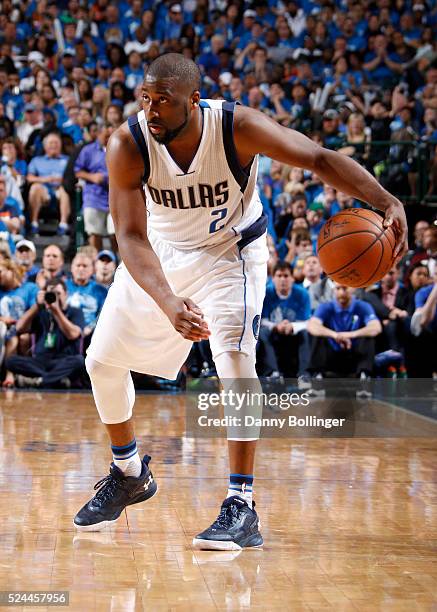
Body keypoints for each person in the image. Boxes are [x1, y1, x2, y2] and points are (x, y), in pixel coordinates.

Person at [74, 54, 407, 549]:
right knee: (100, 362)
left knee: (233, 361)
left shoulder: (236, 127)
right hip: (161, 253)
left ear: (194, 100)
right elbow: (128, 234)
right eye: (145, 98)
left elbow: (316, 157)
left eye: (163, 100)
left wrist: (384, 200)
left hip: (232, 252)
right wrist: (167, 300)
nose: (151, 110)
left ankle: (241, 504)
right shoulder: (128, 142)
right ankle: (129, 473)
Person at [5, 279, 85, 388]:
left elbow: (73, 334)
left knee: (79, 361)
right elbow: (19, 328)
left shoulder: (75, 311)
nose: (55, 297)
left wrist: (56, 311)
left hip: (63, 361)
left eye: (58, 294)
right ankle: (55, 380)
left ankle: (39, 381)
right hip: (39, 362)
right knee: (11, 361)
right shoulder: (41, 312)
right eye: (51, 294)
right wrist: (37, 305)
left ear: (66, 294)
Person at [307, 284, 382, 378]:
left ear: (353, 289)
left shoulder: (363, 306)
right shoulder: (325, 307)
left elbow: (376, 327)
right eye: (338, 288)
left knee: (368, 334)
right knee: (317, 333)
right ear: (334, 290)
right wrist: (336, 335)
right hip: (331, 354)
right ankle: (317, 376)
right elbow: (312, 326)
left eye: (345, 288)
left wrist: (350, 335)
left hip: (355, 354)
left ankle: (365, 376)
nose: (341, 292)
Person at [258, 261, 311, 382]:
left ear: (292, 278)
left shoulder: (303, 294)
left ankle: (304, 375)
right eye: (279, 276)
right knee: (262, 332)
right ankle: (273, 372)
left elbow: (306, 322)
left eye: (286, 276)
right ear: (272, 278)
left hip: (293, 334)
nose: (283, 279)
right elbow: (262, 321)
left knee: (305, 333)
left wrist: (292, 326)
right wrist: (276, 326)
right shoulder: (266, 293)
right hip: (274, 333)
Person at [74, 124, 117, 252]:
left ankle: (119, 263)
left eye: (111, 135)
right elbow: (77, 171)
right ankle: (97, 260)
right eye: (105, 135)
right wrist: (92, 177)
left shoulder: (120, 148)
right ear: (98, 133)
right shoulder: (88, 150)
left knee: (115, 233)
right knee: (94, 232)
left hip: (115, 196)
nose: (108, 138)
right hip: (94, 196)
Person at [27, 133, 70, 236]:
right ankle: (34, 223)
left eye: (56, 142)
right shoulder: (37, 160)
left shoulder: (67, 160)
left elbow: (74, 176)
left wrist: (62, 180)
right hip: (44, 189)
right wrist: (46, 179)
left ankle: (63, 224)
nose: (54, 145)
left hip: (61, 189)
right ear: (45, 146)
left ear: (60, 145)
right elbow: (29, 178)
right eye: (51, 143)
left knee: (66, 189)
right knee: (35, 187)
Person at [66, 253, 107, 342]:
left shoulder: (100, 290)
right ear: (71, 268)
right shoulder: (62, 287)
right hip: (65, 330)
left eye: (85, 266)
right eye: (78, 265)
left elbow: (103, 314)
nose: (81, 269)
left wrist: (90, 327)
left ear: (92, 270)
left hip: (91, 333)